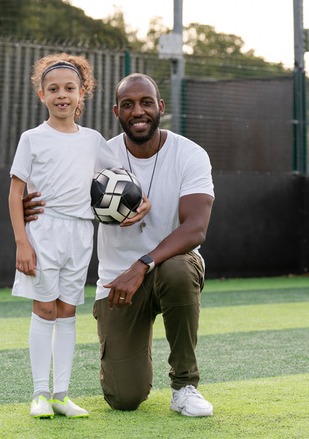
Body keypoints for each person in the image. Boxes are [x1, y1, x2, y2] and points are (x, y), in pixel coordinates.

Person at [24, 73, 215, 417]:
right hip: (117, 283)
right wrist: (29, 206)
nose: (137, 111)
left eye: (145, 102)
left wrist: (142, 265)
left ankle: (184, 386)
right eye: (128, 105)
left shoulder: (190, 154)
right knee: (124, 399)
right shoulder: (98, 154)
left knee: (176, 270)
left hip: (165, 271)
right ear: (117, 111)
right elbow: (54, 193)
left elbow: (195, 228)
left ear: (160, 107)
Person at [8, 54, 148, 419]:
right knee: (45, 309)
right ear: (41, 95)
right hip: (43, 231)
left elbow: (121, 177)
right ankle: (39, 393)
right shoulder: (32, 138)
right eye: (53, 89)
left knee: (67, 312)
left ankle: (60, 395)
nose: (61, 95)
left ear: (82, 93)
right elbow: (14, 193)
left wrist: (140, 203)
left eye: (69, 88)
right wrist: (23, 241)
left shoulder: (92, 140)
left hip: (81, 233)